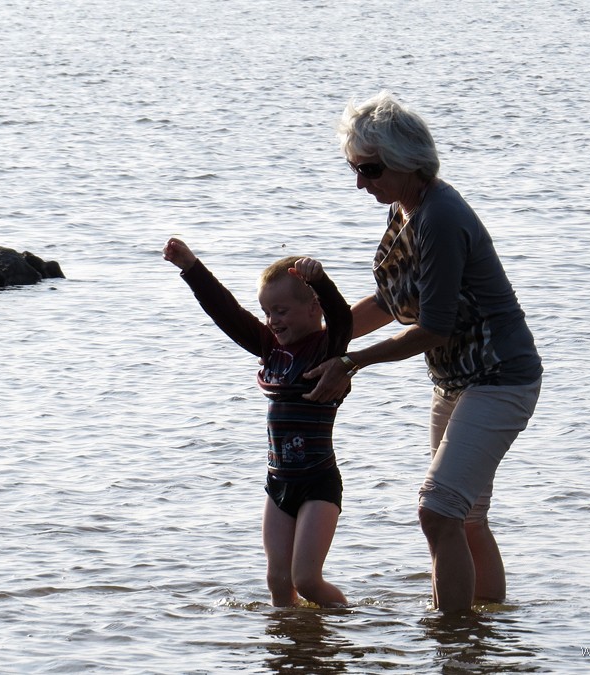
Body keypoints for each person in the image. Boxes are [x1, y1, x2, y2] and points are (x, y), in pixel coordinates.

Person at [303, 91, 543, 614]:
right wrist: (314, 342)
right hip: (456, 379)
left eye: (369, 169)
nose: (360, 182)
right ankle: (485, 630)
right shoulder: (406, 206)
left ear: (407, 160)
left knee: (438, 511)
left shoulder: (440, 217)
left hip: (500, 377)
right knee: (465, 515)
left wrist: (351, 362)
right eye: (354, 169)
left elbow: (433, 328)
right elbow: (389, 303)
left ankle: (450, 637)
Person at [163, 237, 353, 608]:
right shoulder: (271, 348)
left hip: (317, 482)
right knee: (277, 581)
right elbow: (227, 313)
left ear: (313, 307)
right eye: (267, 312)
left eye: (281, 311)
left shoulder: (327, 347)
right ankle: (293, 639)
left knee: (306, 580)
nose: (272, 320)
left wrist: (321, 282)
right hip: (278, 481)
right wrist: (192, 269)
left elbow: (342, 317)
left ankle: (348, 624)